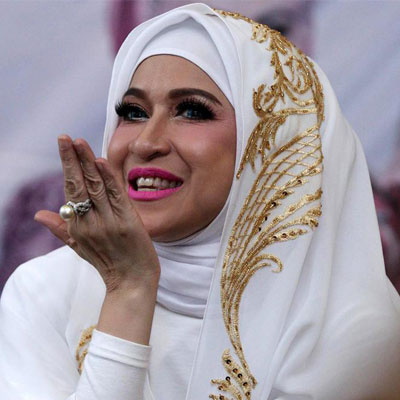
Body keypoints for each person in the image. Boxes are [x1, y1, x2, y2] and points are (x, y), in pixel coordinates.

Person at [0, 3, 399, 399]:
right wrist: (129, 290)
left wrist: (130, 286)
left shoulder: (350, 328)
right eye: (133, 112)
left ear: (273, 138)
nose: (146, 142)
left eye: (192, 111)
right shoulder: (46, 291)